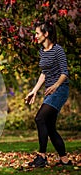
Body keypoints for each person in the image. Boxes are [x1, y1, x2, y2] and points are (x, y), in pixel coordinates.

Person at [25, 20, 72, 167]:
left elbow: (65, 73)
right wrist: (34, 91)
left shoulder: (58, 50)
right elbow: (44, 73)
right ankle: (64, 160)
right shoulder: (42, 51)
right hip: (50, 91)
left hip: (60, 90)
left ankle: (42, 157)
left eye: (38, 33)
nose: (36, 36)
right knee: (50, 127)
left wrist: (56, 85)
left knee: (40, 118)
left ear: (46, 34)